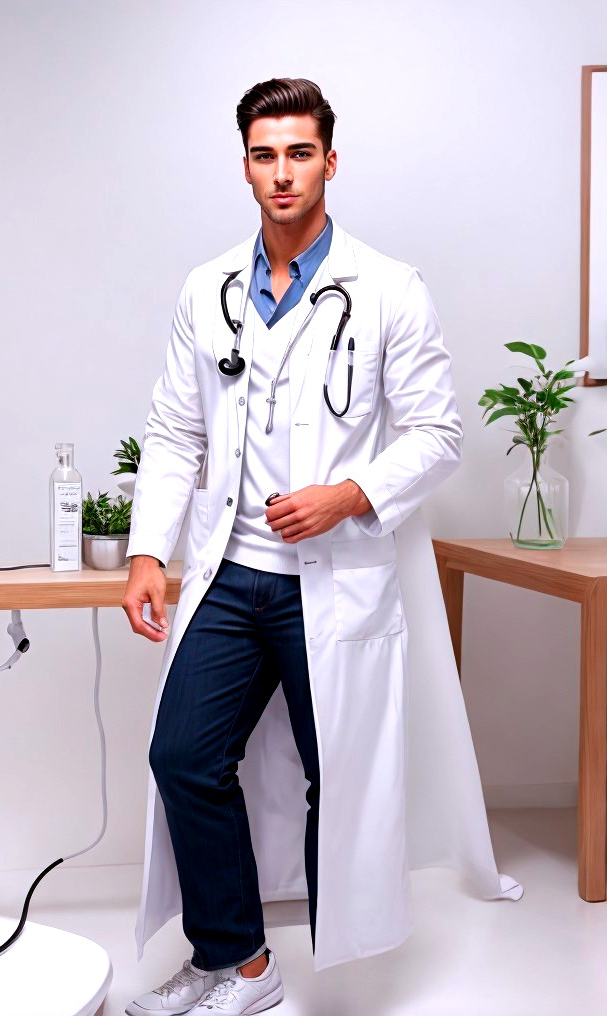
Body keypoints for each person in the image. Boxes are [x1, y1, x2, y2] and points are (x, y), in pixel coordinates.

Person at [121, 77, 464, 1016]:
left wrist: (347, 495)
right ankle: (240, 965)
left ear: (330, 161)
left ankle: (281, 961)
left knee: (336, 778)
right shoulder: (211, 288)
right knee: (184, 756)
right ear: (245, 165)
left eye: (300, 152)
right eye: (265, 154)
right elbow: (173, 430)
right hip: (232, 575)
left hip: (334, 577)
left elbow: (438, 435)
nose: (283, 172)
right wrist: (151, 550)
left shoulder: (390, 287)